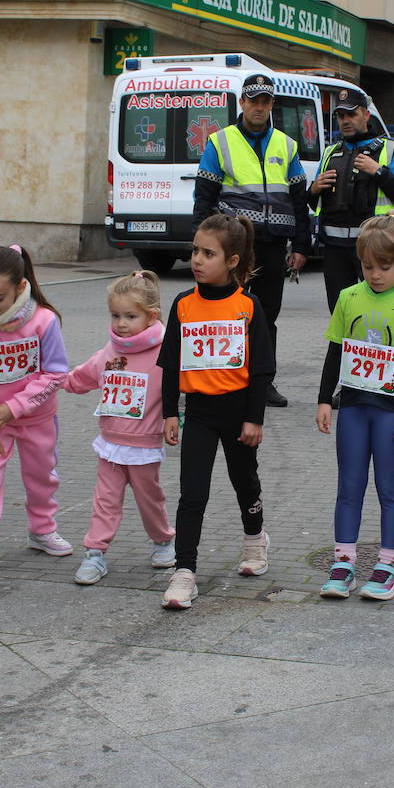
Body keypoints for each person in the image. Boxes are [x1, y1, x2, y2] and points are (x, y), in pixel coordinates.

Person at [158, 214, 276, 609]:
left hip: (239, 410)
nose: (197, 259)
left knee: (244, 482)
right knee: (193, 491)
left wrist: (254, 418)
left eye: (208, 253)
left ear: (231, 260)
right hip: (201, 413)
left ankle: (255, 538)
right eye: (195, 250)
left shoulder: (248, 306)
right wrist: (170, 412)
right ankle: (184, 571)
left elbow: (261, 369)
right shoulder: (183, 305)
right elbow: (171, 362)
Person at [315, 214, 394, 601]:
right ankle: (344, 561)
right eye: (368, 266)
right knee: (348, 485)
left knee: (388, 486)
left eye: (385, 266)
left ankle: (389, 565)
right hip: (353, 405)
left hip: (391, 411)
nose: (376, 275)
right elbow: (335, 351)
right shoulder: (349, 297)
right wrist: (323, 399)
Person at [0, 245, 72, 592]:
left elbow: (56, 374)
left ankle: (42, 529)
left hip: (37, 419)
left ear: (21, 288)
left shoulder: (44, 320)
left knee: (41, 477)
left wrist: (15, 406)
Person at [194, 72, 310, 407]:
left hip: (273, 246)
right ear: (242, 102)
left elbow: (299, 200)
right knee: (227, 313)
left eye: (265, 101)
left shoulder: (286, 145)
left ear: (271, 104)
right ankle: (221, 379)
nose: (259, 107)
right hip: (234, 247)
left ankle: (263, 383)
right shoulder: (220, 142)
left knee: (266, 316)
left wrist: (301, 246)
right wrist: (203, 248)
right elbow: (204, 198)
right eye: (253, 101)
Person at [64, 270, 175, 585]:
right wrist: (61, 380)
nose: (121, 323)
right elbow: (85, 375)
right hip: (110, 443)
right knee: (105, 500)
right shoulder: (109, 351)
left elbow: (183, 385)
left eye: (130, 316)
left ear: (151, 316)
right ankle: (94, 553)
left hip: (144, 445)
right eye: (115, 315)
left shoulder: (165, 351)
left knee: (149, 498)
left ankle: (163, 540)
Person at [309, 87, 394, 311]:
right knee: (341, 313)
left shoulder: (391, 149)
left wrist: (379, 172)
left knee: (380, 311)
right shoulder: (330, 153)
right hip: (335, 249)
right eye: (341, 116)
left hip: (375, 246)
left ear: (366, 115)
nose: (345, 120)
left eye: (352, 114)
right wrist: (313, 189)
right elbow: (312, 203)